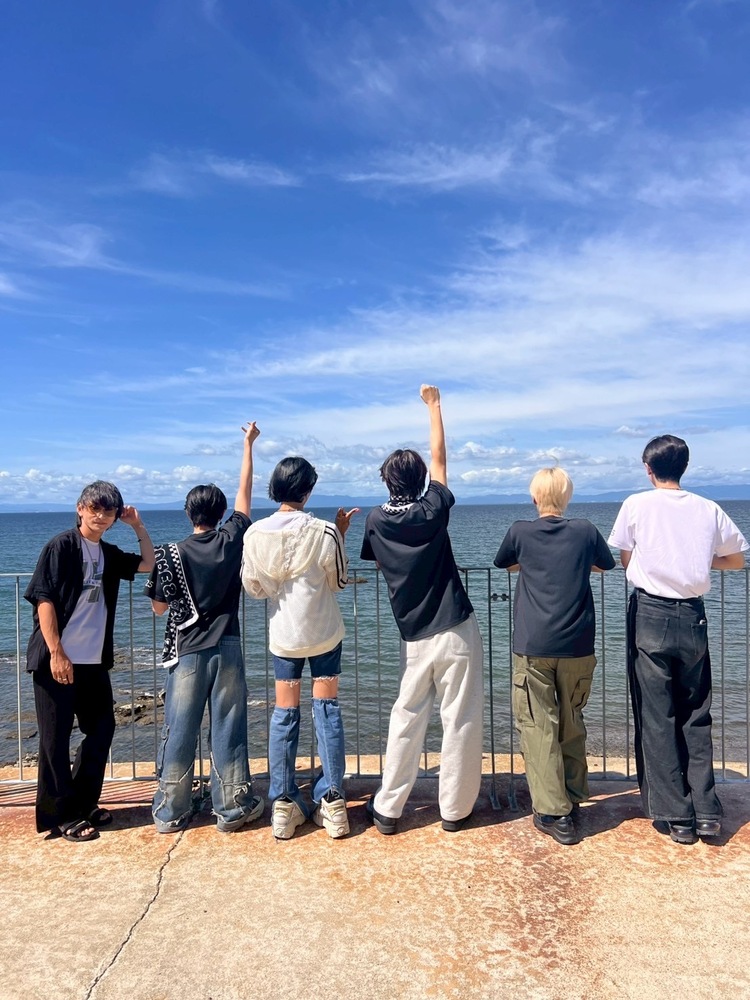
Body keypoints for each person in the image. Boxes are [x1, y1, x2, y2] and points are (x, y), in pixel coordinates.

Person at [609, 434, 747, 845]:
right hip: (693, 616)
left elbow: (625, 558)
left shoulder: (636, 504)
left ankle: (677, 816)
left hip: (650, 613)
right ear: (684, 467)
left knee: (657, 715)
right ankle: (707, 812)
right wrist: (699, 560)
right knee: (696, 712)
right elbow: (736, 560)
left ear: (648, 469)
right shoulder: (708, 508)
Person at [360, 385, 484, 835]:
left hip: (414, 636)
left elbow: (378, 559)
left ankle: (389, 808)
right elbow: (441, 462)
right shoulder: (433, 508)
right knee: (460, 718)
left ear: (387, 482)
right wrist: (434, 407)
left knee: (407, 718)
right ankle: (454, 810)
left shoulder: (376, 520)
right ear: (421, 481)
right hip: (456, 626)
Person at [146, 422, 263, 834]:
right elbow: (246, 496)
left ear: (188, 513)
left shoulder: (170, 553)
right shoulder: (231, 539)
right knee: (228, 727)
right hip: (227, 644)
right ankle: (231, 808)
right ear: (220, 513)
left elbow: (159, 607)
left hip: (187, 650)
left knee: (180, 728)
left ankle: (170, 811)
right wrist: (248, 445)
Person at [25, 481, 155, 842]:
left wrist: (138, 526)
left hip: (93, 662)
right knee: (54, 740)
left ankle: (83, 803)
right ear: (80, 508)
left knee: (101, 730)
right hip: (56, 660)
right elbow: (44, 599)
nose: (101, 516)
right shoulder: (62, 546)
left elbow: (147, 563)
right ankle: (62, 815)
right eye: (94, 508)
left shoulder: (107, 553)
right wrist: (56, 652)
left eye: (108, 511)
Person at [494, 467, 615, 845]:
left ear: (534, 498)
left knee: (538, 726)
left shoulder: (520, 531)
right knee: (571, 721)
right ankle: (573, 795)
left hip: (534, 644)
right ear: (567, 497)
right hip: (578, 643)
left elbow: (505, 563)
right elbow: (605, 565)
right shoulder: (585, 531)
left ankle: (553, 812)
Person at [241, 458, 358, 840]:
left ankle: (283, 804)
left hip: (284, 637)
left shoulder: (254, 534)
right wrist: (341, 535)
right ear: (307, 492)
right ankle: (333, 802)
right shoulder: (324, 532)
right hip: (324, 634)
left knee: (284, 714)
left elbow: (253, 587)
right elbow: (339, 581)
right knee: (327, 710)